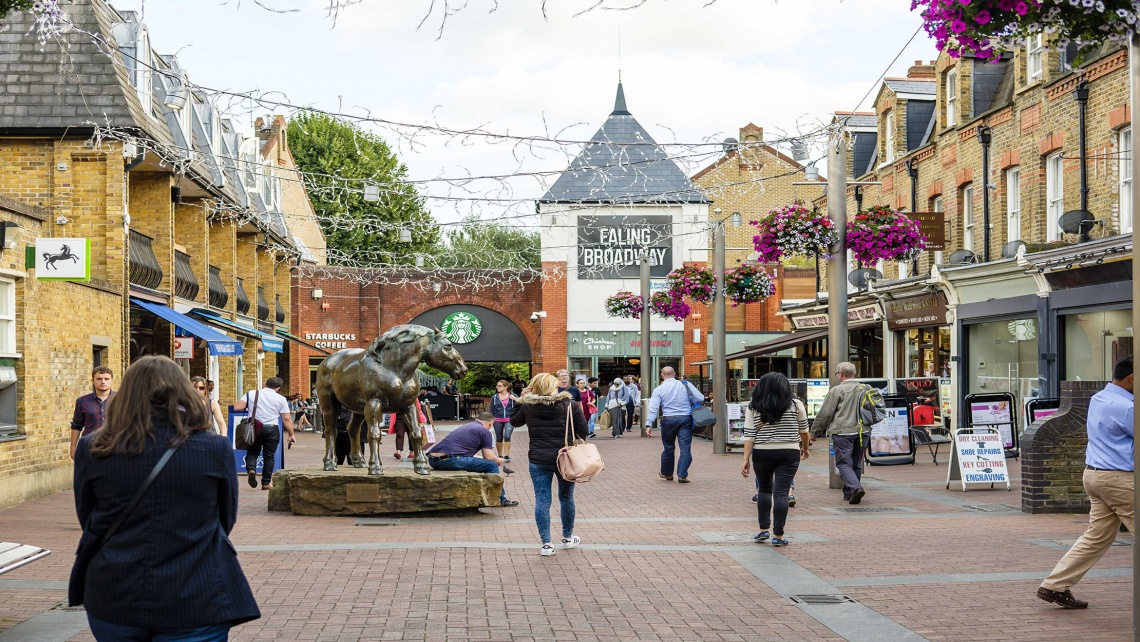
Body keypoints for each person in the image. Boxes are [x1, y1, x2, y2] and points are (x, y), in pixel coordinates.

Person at [71, 356, 260, 640]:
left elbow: (87, 516)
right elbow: (225, 518)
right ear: (182, 392)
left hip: (115, 592)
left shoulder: (94, 447)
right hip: (197, 593)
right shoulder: (214, 449)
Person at [1037, 356, 1134, 609]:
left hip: (1095, 475)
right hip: (1120, 480)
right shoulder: (1127, 408)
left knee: (1096, 537)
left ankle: (1054, 585)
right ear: (1132, 378)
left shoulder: (1099, 398)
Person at [510, 373, 588, 556]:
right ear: (554, 387)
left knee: (542, 500)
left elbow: (514, 421)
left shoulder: (528, 406)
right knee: (566, 497)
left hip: (538, 458)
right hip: (565, 458)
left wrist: (521, 399)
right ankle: (567, 537)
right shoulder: (570, 405)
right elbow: (583, 430)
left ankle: (546, 543)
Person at [740, 373, 811, 547]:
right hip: (789, 452)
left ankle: (763, 529)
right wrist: (805, 447)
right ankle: (778, 536)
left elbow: (749, 435)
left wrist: (745, 459)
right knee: (781, 493)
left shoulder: (754, 406)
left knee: (764, 490)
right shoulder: (796, 405)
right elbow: (804, 430)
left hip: (762, 453)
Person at [811, 362, 883, 504]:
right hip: (863, 431)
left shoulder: (837, 390)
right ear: (854, 374)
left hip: (842, 432)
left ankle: (855, 488)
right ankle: (849, 494)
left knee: (843, 463)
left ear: (841, 374)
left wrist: (814, 431)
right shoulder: (866, 388)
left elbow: (826, 413)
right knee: (856, 463)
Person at [426, 411, 519, 507]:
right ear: (490, 423)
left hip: (433, 460)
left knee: (483, 463)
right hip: (449, 460)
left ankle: (486, 494)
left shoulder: (467, 426)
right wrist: (498, 460)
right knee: (491, 465)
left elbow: (463, 453)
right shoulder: (485, 431)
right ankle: (501, 499)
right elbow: (489, 457)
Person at [644, 367, 706, 483]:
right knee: (685, 448)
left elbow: (653, 408)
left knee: (668, 447)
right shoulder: (685, 384)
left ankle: (667, 473)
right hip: (685, 418)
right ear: (675, 374)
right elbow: (700, 397)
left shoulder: (659, 389)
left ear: (662, 375)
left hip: (668, 420)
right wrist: (689, 399)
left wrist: (649, 424)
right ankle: (682, 475)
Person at [233, 377, 295, 490]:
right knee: (269, 456)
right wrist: (291, 434)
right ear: (278, 388)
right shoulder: (281, 399)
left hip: (254, 428)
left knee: (252, 452)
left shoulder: (252, 393)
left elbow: (237, 407)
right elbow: (287, 419)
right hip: (272, 429)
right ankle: (266, 483)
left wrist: (250, 407)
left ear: (265, 383)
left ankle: (251, 470)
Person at [71, 366, 115, 460]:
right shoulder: (82, 402)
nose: (103, 382)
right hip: (89, 448)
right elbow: (76, 426)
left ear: (111, 380)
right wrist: (73, 448)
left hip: (115, 447)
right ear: (92, 381)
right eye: (99, 379)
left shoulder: (122, 399)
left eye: (106, 379)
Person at [490, 379, 519, 462]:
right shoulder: (494, 397)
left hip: (509, 419)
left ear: (505, 387)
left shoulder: (513, 395)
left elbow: (521, 404)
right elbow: (492, 410)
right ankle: (500, 455)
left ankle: (506, 456)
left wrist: (515, 399)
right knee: (499, 438)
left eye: (499, 386)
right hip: (497, 419)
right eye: (497, 386)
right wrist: (491, 420)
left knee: (507, 436)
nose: (497, 387)